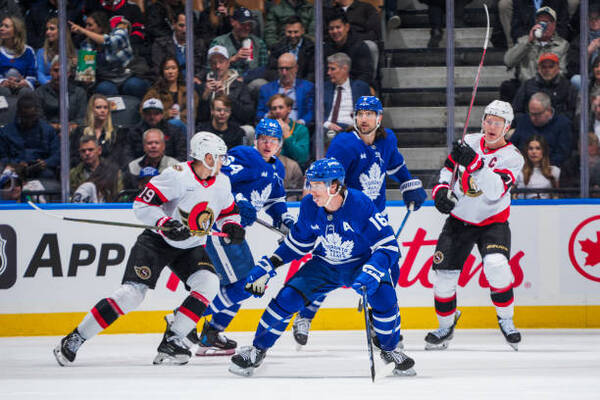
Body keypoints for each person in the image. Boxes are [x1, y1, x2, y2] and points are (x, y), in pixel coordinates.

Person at [53, 131, 246, 366]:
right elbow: (142, 204)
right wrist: (165, 223)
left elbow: (228, 212)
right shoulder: (177, 176)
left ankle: (172, 341)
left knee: (209, 283)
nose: (222, 161)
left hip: (191, 245)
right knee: (131, 295)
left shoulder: (222, 182)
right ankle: (75, 337)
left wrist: (232, 226)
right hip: (157, 242)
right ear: (204, 156)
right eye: (218, 156)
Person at [229, 158, 416, 378]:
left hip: (361, 263)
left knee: (384, 298)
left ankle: (390, 350)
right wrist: (270, 264)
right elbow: (299, 244)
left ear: (334, 186)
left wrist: (373, 269)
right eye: (310, 183)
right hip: (325, 265)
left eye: (317, 184)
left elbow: (388, 245)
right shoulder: (309, 206)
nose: (310, 190)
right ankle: (256, 350)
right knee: (286, 299)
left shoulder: (360, 204)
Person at [291, 96, 427, 348]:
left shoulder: (387, 140)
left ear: (379, 117)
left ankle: (381, 324)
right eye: (360, 113)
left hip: (375, 218)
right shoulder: (344, 144)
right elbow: (324, 179)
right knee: (330, 267)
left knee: (389, 268)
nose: (364, 118)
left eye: (369, 113)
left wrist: (409, 185)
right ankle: (306, 315)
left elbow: (396, 165)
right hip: (347, 218)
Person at [161, 118, 295, 357]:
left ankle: (210, 333)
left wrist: (284, 220)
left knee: (234, 286)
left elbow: (275, 200)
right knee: (246, 284)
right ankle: (184, 317)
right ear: (256, 140)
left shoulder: (277, 169)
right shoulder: (245, 156)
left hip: (235, 233)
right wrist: (240, 202)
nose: (267, 144)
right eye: (263, 138)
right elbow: (217, 178)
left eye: (273, 140)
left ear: (280, 144)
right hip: (220, 229)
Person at [427, 100, 524, 351]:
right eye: (488, 121)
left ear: (507, 127)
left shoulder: (513, 158)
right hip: (459, 221)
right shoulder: (469, 142)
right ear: (482, 122)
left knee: (496, 265)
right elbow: (449, 169)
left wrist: (476, 165)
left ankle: (506, 319)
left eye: (498, 123)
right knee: (444, 278)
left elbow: (494, 191)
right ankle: (445, 326)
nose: (491, 126)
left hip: (493, 222)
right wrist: (440, 191)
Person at [69, 13, 150, 98]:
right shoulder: (86, 44)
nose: (86, 28)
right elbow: (87, 80)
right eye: (85, 25)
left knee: (135, 85)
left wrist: (84, 31)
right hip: (107, 80)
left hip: (128, 75)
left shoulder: (119, 32)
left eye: (90, 25)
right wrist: (81, 68)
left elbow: (110, 42)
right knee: (104, 89)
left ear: (101, 26)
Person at [502, 7, 569, 102]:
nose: (544, 25)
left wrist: (545, 78)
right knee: (507, 87)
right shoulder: (524, 41)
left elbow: (562, 71)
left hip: (550, 86)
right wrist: (528, 42)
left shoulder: (563, 45)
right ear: (536, 23)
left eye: (548, 22)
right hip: (525, 86)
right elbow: (508, 61)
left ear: (554, 25)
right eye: (541, 22)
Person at [197, 45, 255, 128]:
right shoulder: (203, 86)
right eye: (214, 63)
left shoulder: (239, 86)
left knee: (249, 130)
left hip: (235, 128)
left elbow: (247, 115)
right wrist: (205, 97)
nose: (217, 66)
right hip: (210, 129)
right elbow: (199, 118)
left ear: (228, 63)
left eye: (221, 62)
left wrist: (227, 98)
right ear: (210, 65)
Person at [509, 92, 571, 168]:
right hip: (521, 167)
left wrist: (541, 166)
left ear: (548, 111)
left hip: (548, 169)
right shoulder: (524, 120)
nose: (532, 118)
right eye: (531, 113)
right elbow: (512, 146)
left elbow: (562, 154)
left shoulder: (562, 124)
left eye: (537, 114)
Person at [512, 52, 578, 121]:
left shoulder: (567, 86)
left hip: (557, 125)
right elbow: (516, 111)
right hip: (531, 124)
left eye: (551, 67)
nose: (547, 70)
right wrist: (532, 119)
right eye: (543, 67)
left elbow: (572, 112)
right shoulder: (527, 85)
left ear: (558, 68)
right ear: (538, 69)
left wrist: (553, 119)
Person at [69, 94, 129, 168]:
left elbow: (118, 158)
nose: (102, 110)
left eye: (105, 108)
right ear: (92, 110)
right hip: (84, 171)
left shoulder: (116, 132)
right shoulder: (80, 131)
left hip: (109, 172)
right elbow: (74, 156)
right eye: (98, 107)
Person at [257, 52, 314, 127]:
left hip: (298, 128)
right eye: (281, 69)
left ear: (296, 68)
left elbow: (311, 112)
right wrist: (269, 117)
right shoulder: (266, 89)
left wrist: (301, 123)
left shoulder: (307, 87)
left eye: (287, 69)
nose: (284, 73)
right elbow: (259, 114)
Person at [142, 56, 199, 130]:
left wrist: (178, 115)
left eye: (173, 68)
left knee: (176, 123)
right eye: (167, 68)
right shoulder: (154, 92)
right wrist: (165, 114)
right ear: (162, 71)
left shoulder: (188, 92)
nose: (170, 72)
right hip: (160, 128)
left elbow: (192, 113)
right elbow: (143, 111)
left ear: (178, 71)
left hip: (183, 128)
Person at [323, 52, 370, 138]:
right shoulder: (324, 88)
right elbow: (316, 113)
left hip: (352, 129)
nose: (328, 73)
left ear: (344, 69)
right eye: (328, 69)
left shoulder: (361, 88)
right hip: (328, 129)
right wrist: (327, 124)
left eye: (332, 69)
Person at [35, 56, 87, 133]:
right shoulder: (39, 92)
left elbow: (81, 120)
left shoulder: (79, 93)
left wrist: (69, 129)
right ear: (50, 72)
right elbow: (39, 120)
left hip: (72, 134)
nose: (59, 74)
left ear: (68, 74)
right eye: (56, 70)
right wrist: (58, 127)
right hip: (47, 133)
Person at [150, 12, 206, 84]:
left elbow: (204, 66)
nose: (185, 30)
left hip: (193, 83)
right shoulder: (160, 44)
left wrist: (197, 77)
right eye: (181, 25)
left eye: (188, 26)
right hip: (168, 83)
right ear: (174, 24)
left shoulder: (199, 43)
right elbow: (157, 68)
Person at [126, 97, 187, 162]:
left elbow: (183, 153)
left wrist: (171, 168)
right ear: (143, 114)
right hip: (141, 168)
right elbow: (127, 154)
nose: (152, 117)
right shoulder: (134, 132)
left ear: (162, 114)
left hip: (169, 168)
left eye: (156, 113)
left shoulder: (174, 131)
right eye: (148, 113)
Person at [323, 12, 374, 87]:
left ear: (347, 27)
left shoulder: (360, 46)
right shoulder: (325, 48)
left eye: (338, 27)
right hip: (332, 87)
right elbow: (323, 74)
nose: (335, 31)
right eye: (331, 29)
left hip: (355, 87)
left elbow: (365, 75)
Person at [265, 16, 315, 82]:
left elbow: (312, 73)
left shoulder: (311, 48)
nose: (292, 35)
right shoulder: (277, 48)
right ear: (285, 31)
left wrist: (300, 86)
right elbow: (271, 70)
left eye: (296, 32)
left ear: (303, 31)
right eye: (289, 32)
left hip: (304, 86)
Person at [267, 93, 309, 167]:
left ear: (289, 109)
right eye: (274, 108)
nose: (277, 111)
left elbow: (301, 158)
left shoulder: (300, 129)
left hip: (291, 169)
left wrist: (287, 136)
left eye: (281, 107)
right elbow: (255, 152)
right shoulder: (266, 128)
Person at [0, 15, 37, 96]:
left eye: (6, 26)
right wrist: (3, 81)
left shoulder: (28, 51)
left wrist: (23, 82)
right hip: (2, 87)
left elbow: (32, 76)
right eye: (1, 25)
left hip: (21, 86)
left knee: (25, 92)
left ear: (16, 31)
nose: (1, 29)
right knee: (4, 91)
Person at [514, 135, 560, 199]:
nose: (534, 152)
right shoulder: (517, 171)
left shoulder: (554, 171)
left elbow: (555, 196)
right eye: (530, 148)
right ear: (526, 151)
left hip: (546, 208)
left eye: (538, 148)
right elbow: (513, 195)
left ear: (544, 151)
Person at [35, 17, 76, 86]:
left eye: (52, 29)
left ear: (62, 31)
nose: (47, 32)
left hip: (68, 88)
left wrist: (75, 67)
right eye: (47, 29)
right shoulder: (41, 52)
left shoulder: (75, 53)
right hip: (47, 87)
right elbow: (39, 73)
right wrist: (49, 85)